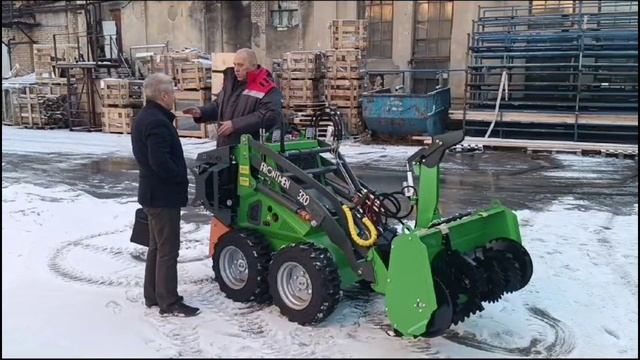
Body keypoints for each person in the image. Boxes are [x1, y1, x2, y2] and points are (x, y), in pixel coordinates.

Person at [131, 73, 200, 317]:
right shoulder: (157, 122)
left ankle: (152, 295)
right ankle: (169, 302)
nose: (174, 97)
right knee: (168, 250)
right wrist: (179, 177)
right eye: (172, 92)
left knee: (156, 247)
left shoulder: (145, 117)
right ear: (163, 95)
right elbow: (159, 161)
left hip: (152, 194)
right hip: (162, 196)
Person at [182, 48, 283, 147]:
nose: (236, 69)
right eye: (235, 64)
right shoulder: (231, 82)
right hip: (226, 147)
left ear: (254, 65)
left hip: (249, 151)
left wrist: (235, 125)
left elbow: (270, 115)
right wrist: (202, 112)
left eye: (241, 65)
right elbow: (219, 105)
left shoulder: (267, 87)